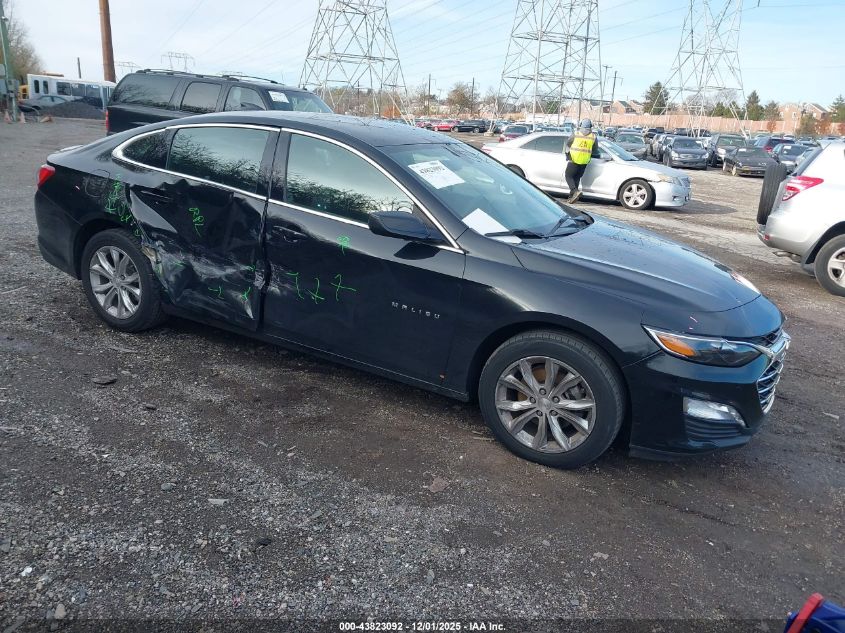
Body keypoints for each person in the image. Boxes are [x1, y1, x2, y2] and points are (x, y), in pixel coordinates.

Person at [564, 119, 601, 204]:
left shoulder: (576, 134)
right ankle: (571, 198)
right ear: (590, 126)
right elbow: (595, 149)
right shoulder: (593, 137)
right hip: (584, 161)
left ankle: (574, 191)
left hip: (574, 159)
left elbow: (568, 144)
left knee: (568, 176)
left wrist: (567, 154)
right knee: (576, 178)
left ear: (581, 125)